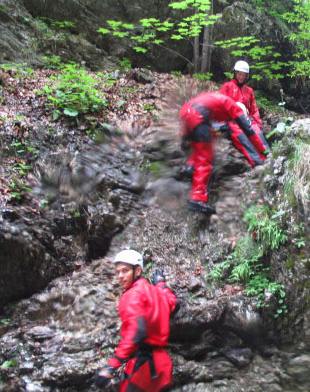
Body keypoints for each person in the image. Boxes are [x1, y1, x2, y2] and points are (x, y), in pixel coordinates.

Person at [95, 249, 178, 391]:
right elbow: (175, 304)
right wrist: (161, 284)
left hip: (143, 368)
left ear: (137, 271)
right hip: (162, 366)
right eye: (118, 272)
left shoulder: (131, 295)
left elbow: (136, 333)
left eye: (125, 271)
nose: (120, 276)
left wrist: (111, 366)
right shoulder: (156, 291)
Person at [179, 91, 268, 215]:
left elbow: (212, 127)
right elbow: (248, 131)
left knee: (200, 145)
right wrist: (263, 150)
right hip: (197, 116)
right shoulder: (233, 107)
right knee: (206, 158)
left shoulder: (216, 102)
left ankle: (191, 168)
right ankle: (197, 198)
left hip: (186, 113)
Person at [219, 61, 270, 166]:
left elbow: (254, 110)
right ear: (235, 73)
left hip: (247, 119)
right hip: (233, 120)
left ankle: (268, 156)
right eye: (239, 74)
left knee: (257, 133)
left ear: (246, 76)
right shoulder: (227, 87)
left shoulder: (249, 90)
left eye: (243, 74)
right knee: (244, 139)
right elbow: (221, 104)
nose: (241, 77)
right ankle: (257, 161)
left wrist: (258, 124)